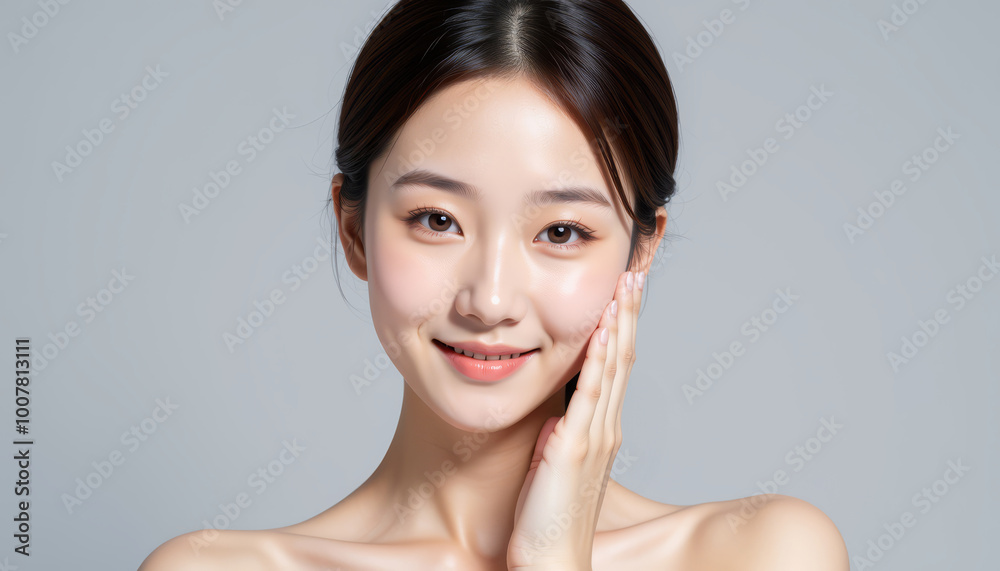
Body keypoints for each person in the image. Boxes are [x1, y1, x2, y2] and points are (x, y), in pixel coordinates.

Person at [140, 0, 849, 568]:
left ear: (641, 251)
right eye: (436, 219)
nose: (489, 299)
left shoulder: (765, 552)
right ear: (352, 228)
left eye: (561, 232)